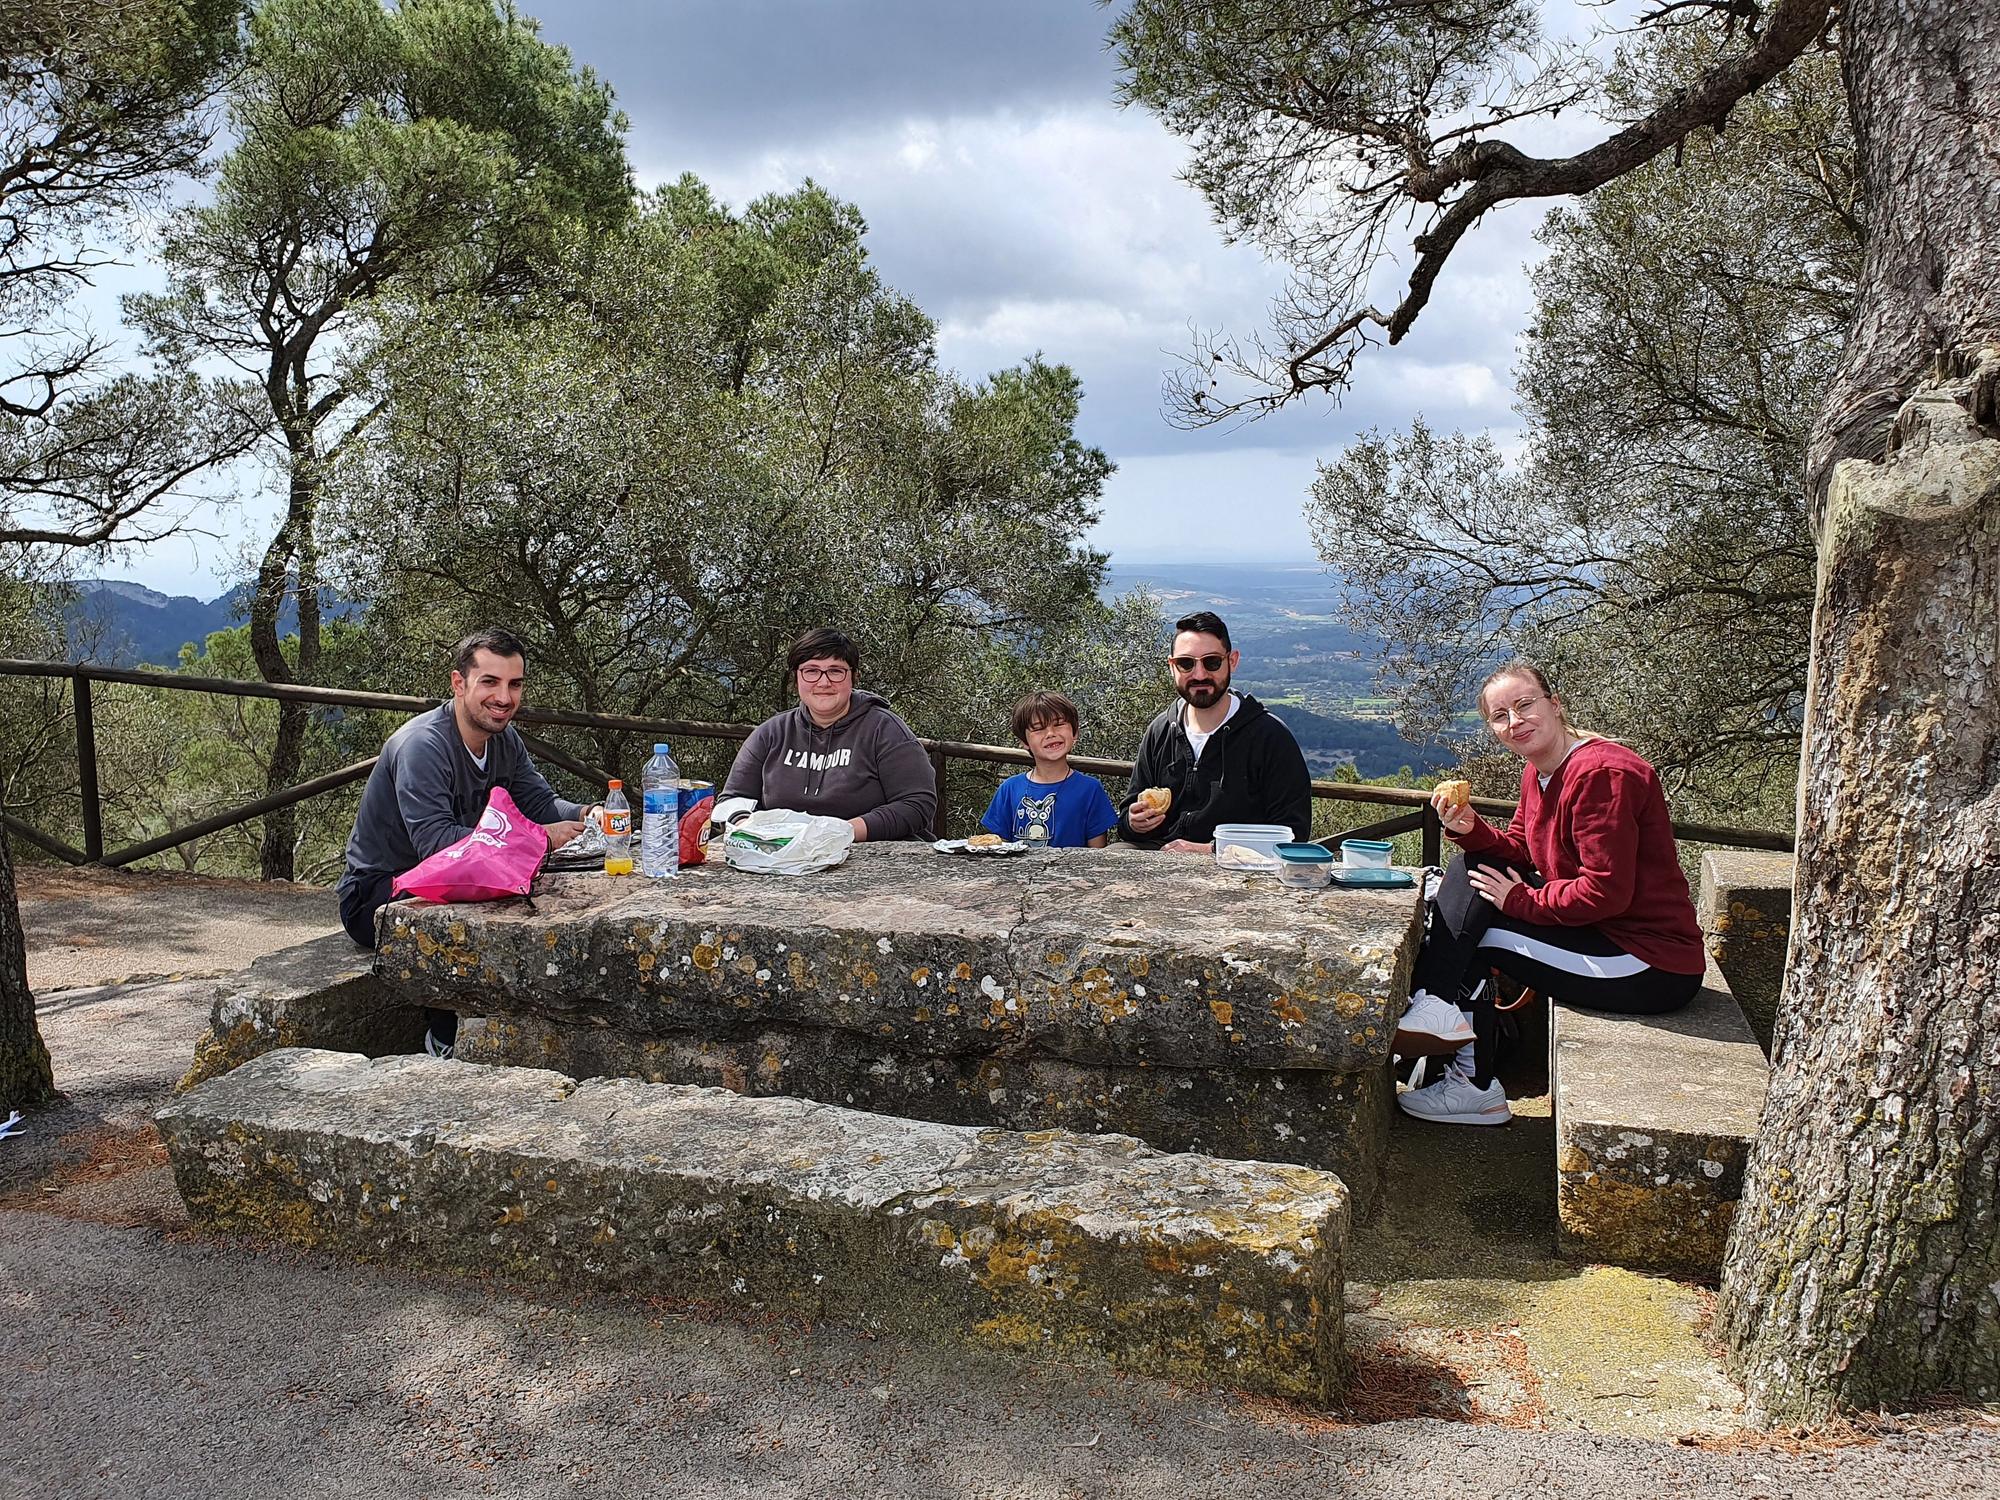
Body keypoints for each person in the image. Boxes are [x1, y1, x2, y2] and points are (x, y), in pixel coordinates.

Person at [1394, 662, 1708, 1126]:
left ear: (1554, 705)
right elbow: (1520, 849)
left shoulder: (1602, 774)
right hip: (1598, 937)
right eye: (1500, 716)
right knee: (1474, 865)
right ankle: (1437, 1012)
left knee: (1480, 935)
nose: (1514, 721)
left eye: (1525, 706)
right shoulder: (1539, 771)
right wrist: (1471, 829)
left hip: (1647, 961)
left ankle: (1471, 1080)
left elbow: (1606, 893)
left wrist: (1521, 901)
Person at [337, 627, 596, 1055]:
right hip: (378, 892)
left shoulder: (503, 739)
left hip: (445, 876)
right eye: (489, 682)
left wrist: (585, 814)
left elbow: (539, 801)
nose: (504, 697)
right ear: (459, 684)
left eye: (514, 684)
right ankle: (445, 1040)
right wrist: (536, 840)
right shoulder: (423, 746)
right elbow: (436, 844)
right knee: (476, 908)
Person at [717, 628, 936, 842]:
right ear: (796, 679)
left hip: (873, 861)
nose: (823, 682)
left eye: (835, 671)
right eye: (811, 671)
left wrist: (838, 833)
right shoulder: (770, 733)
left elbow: (916, 804)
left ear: (853, 677)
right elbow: (732, 800)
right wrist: (752, 831)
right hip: (782, 857)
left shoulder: (885, 730)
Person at [1117, 611, 1312, 851]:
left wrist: (1210, 849)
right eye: (1186, 663)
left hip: (1237, 867)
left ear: (1232, 661)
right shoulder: (1161, 730)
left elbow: (1293, 832)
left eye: (1212, 662)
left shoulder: (1270, 737)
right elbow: (1126, 820)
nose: (1199, 675)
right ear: (1172, 667)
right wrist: (1133, 822)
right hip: (1159, 857)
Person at [980, 690, 1120, 848]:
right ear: (1024, 741)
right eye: (1038, 728)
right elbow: (999, 850)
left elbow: (1097, 854)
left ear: (1075, 732)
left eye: (1059, 724)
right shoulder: (1009, 789)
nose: (1051, 734)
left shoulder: (1091, 789)